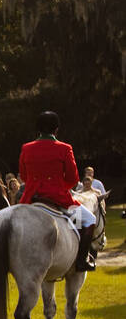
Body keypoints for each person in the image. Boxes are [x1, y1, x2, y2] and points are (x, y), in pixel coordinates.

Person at [19, 110, 97, 271]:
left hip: (30, 198)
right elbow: (73, 179)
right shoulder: (64, 148)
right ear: (56, 130)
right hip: (60, 199)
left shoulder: (26, 148)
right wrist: (60, 188)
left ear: (38, 129)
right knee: (89, 221)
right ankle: (81, 260)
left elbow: (24, 176)